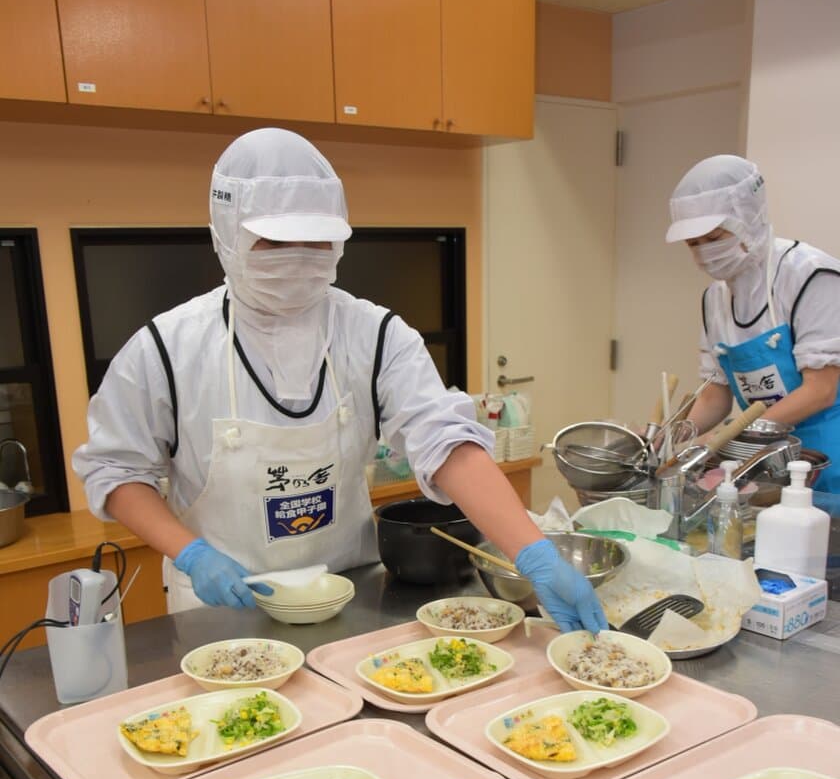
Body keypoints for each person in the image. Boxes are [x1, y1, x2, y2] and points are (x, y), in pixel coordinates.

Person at [74, 128, 607, 632]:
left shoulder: (376, 335)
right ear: (227, 236)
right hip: (221, 612)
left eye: (317, 242)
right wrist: (190, 552)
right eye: (275, 243)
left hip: (348, 599)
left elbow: (445, 443)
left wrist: (533, 552)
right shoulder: (166, 349)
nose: (300, 259)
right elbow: (116, 471)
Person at [666, 154, 840, 493]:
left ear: (749, 219)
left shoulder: (810, 276)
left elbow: (820, 390)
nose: (705, 253)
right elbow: (717, 394)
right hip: (767, 463)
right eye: (693, 244)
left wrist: (725, 437)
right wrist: (676, 436)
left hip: (830, 461)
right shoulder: (714, 298)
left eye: (714, 238)